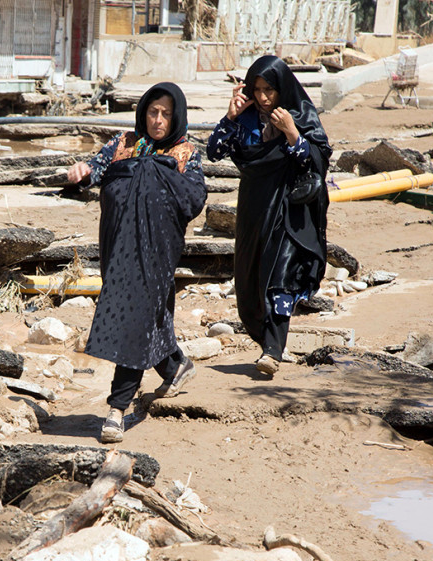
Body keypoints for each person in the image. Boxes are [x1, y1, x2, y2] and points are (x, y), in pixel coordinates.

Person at [66, 82, 207, 444]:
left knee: (134, 314)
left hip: (157, 250)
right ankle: (175, 366)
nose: (158, 120)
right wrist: (81, 173)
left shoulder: (186, 152)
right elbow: (95, 171)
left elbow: (194, 198)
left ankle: (117, 409)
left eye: (166, 114)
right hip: (117, 245)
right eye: (152, 112)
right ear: (143, 112)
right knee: (146, 313)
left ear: (177, 117)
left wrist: (156, 174)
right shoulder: (122, 144)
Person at [206, 55, 331, 378]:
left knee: (281, 277)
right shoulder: (244, 119)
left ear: (282, 89)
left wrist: (292, 133)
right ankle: (266, 340)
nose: (262, 97)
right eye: (256, 89)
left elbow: (317, 161)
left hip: (289, 209)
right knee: (249, 280)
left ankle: (272, 351)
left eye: (269, 90)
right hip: (253, 209)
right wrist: (231, 116)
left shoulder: (299, 115)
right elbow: (215, 151)